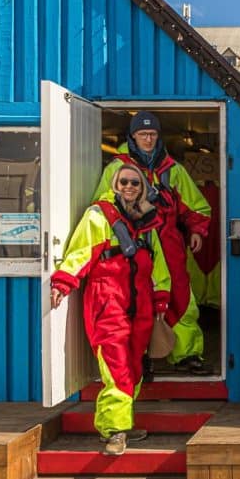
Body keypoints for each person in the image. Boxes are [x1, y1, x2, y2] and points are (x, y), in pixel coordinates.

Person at [50, 165, 170, 456]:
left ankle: (122, 423)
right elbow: (81, 251)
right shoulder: (98, 215)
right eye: (123, 181)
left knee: (134, 365)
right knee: (117, 366)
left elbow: (157, 263)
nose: (129, 187)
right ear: (115, 185)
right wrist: (63, 282)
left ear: (143, 189)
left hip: (140, 303)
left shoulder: (148, 222)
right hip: (107, 299)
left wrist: (161, 297)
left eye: (135, 183)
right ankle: (115, 431)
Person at [93, 111, 213, 375]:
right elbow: (103, 204)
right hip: (133, 243)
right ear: (133, 136)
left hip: (169, 244)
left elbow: (196, 206)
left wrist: (196, 229)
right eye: (143, 134)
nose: (148, 139)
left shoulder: (173, 170)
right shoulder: (117, 168)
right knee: (136, 299)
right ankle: (139, 357)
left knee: (181, 297)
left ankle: (187, 354)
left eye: (152, 134)